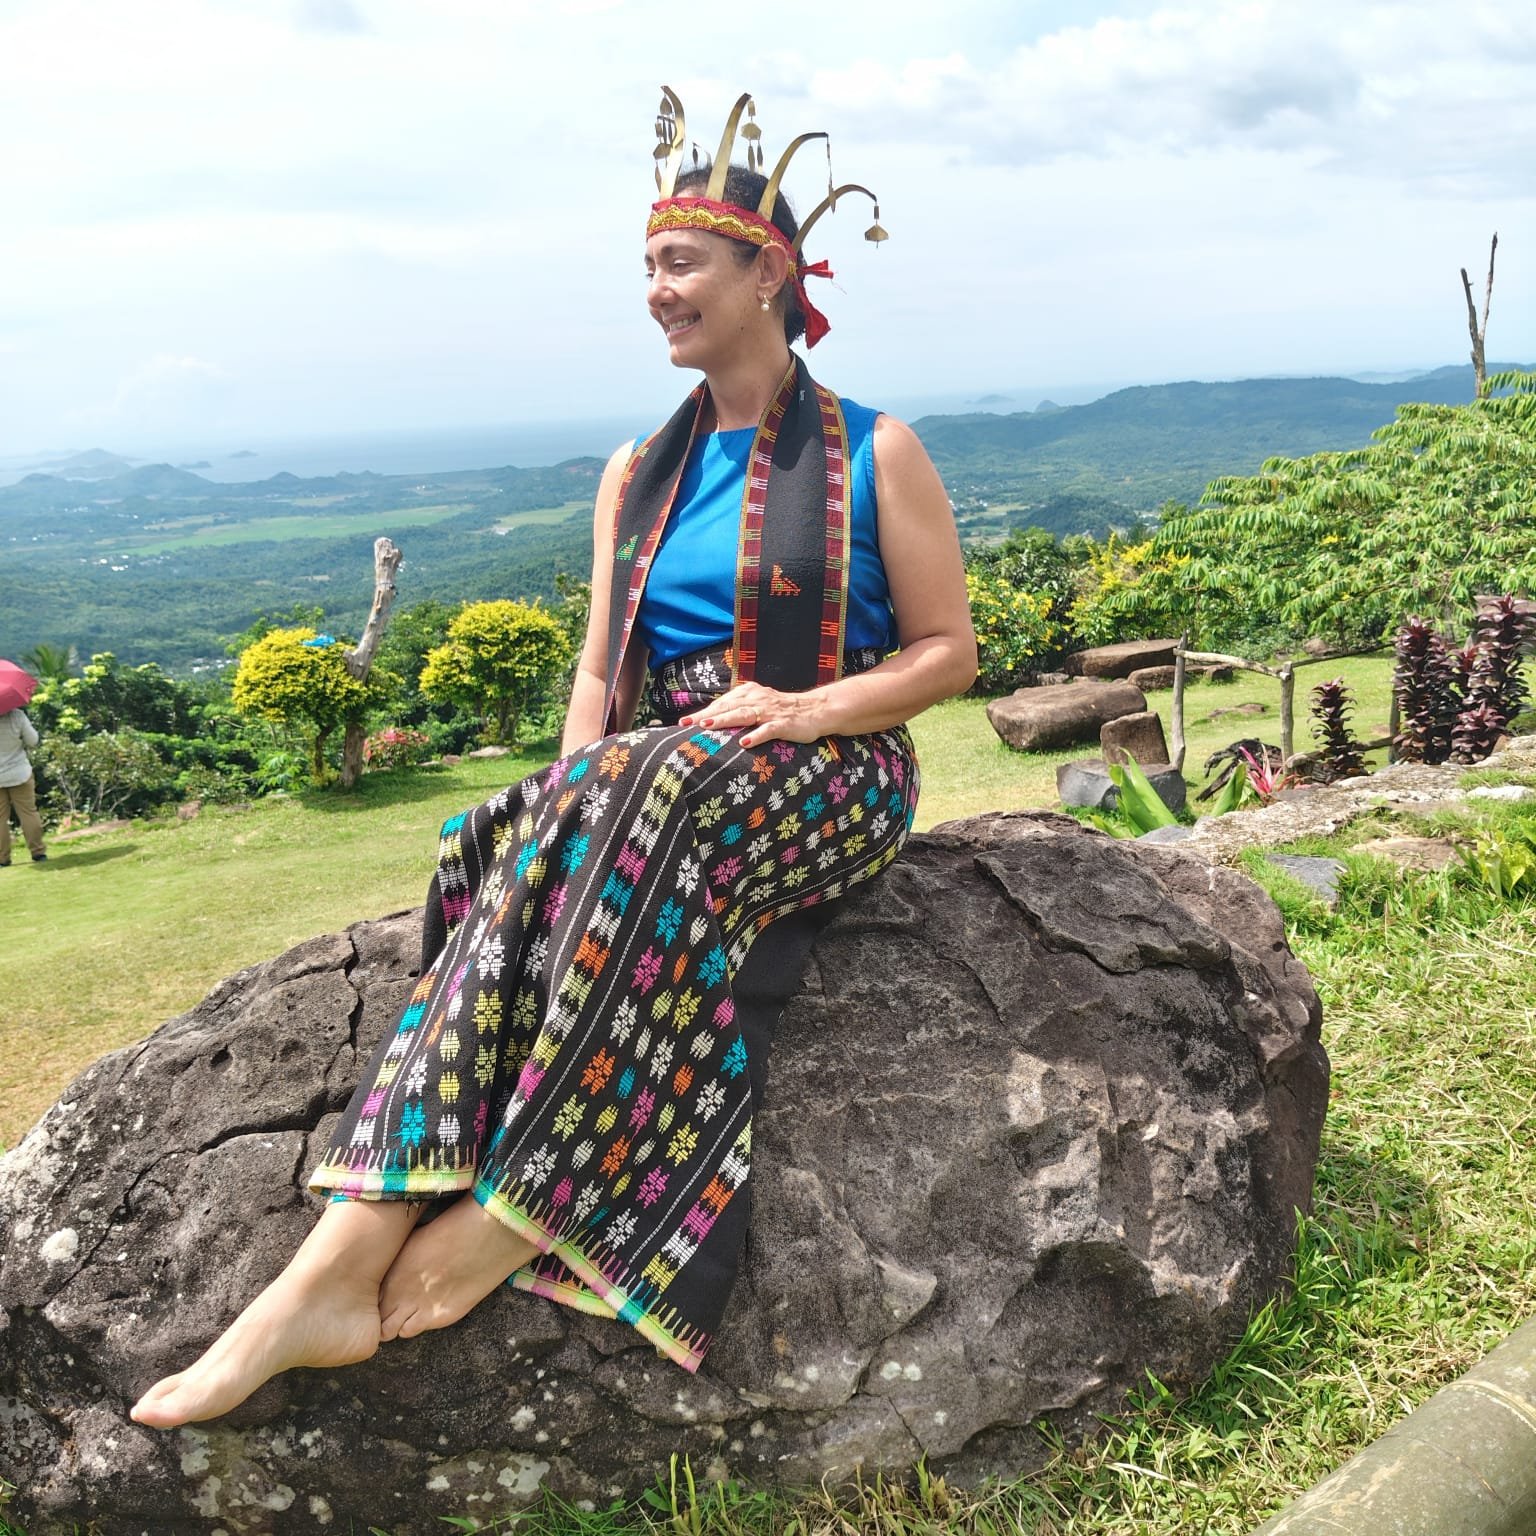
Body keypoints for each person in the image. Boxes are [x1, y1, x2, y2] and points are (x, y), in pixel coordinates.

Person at [131, 87, 976, 1430]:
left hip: (828, 758)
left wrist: (807, 711)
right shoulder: (635, 471)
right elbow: (598, 671)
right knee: (495, 832)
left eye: (680, 263)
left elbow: (947, 653)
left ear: (768, 274)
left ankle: (515, 1208)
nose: (655, 291)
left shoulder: (878, 450)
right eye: (646, 265)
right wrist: (573, 787)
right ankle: (350, 1250)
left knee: (640, 792)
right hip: (654, 768)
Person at [0, 707, 47, 866]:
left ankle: (2, 858)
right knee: (28, 812)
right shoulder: (17, 715)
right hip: (19, 772)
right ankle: (38, 852)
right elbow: (33, 740)